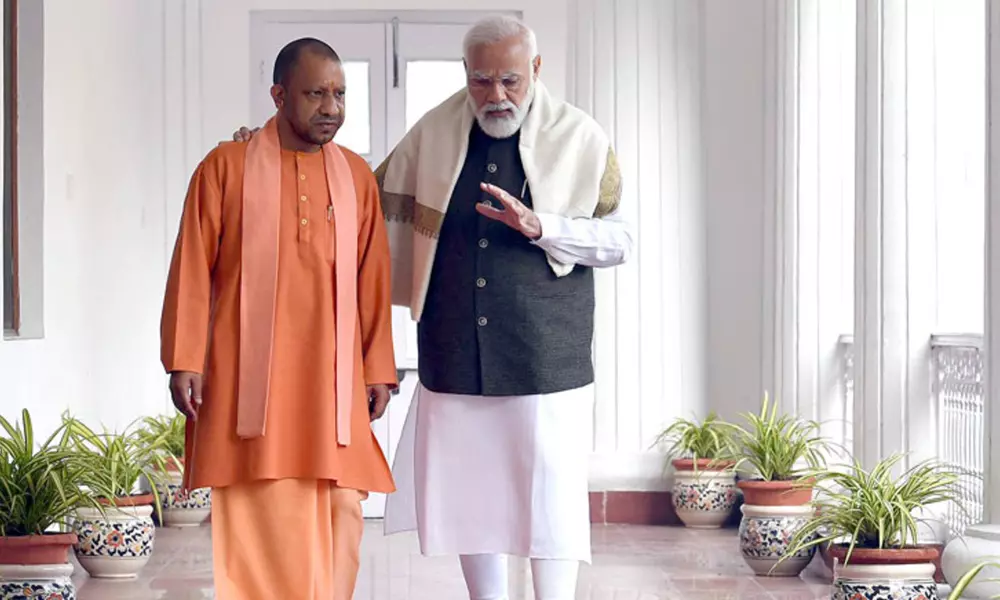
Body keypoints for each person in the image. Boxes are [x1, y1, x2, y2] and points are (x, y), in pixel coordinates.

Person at [231, 15, 632, 599]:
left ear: (536, 69)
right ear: (466, 73)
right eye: (482, 81)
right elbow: (355, 194)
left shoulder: (581, 138)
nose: (496, 95)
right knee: (474, 504)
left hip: (546, 363)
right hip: (454, 358)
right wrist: (270, 150)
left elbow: (621, 242)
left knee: (550, 508)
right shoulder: (435, 132)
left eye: (511, 80)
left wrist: (542, 225)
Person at [162, 37, 398, 600]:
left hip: (332, 382)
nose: (331, 108)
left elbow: (373, 279)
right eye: (316, 94)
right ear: (278, 95)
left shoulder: (356, 176)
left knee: (343, 508)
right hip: (250, 380)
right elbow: (192, 264)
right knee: (261, 508)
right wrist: (184, 358)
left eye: (340, 94)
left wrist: (377, 368)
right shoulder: (225, 167)